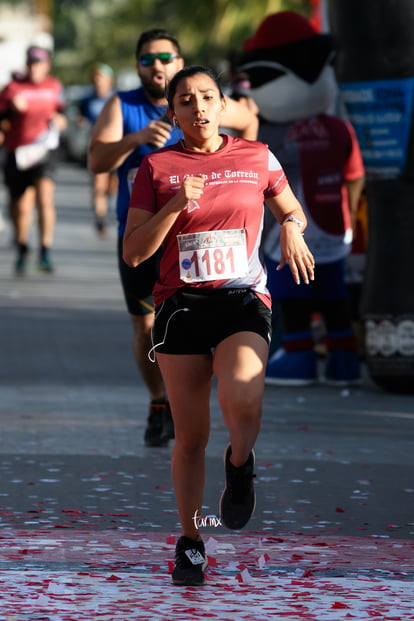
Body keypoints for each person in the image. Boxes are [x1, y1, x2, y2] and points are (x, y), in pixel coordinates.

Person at [123, 65, 315, 586]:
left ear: (223, 103)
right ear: (174, 112)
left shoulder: (255, 155)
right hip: (181, 307)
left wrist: (293, 230)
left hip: (242, 301)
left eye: (208, 97)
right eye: (187, 100)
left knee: (244, 396)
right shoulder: (157, 167)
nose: (199, 107)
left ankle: (240, 461)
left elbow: (289, 208)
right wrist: (174, 204)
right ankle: (191, 541)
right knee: (189, 438)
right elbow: (135, 252)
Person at [88, 28, 259, 448]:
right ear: (137, 67)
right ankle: (159, 400)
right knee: (147, 329)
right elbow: (95, 160)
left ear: (179, 63)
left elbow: (249, 119)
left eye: (166, 57)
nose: (158, 65)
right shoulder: (123, 105)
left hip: (201, 235)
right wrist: (136, 140)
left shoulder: (204, 99)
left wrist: (240, 183)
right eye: (148, 59)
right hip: (146, 234)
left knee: (214, 320)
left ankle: (202, 401)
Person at [236, 11, 365, 386]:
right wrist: (347, 220)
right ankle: (345, 362)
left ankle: (298, 358)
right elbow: (354, 179)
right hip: (334, 232)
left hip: (287, 235)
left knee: (290, 297)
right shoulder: (338, 128)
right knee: (334, 297)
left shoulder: (267, 134)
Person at [0, 45, 66, 275]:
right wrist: (10, 111)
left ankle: (45, 250)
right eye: (31, 62)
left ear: (47, 65)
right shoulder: (12, 88)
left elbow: (62, 113)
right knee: (20, 205)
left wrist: (60, 120)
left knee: (45, 199)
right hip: (17, 152)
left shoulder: (54, 87)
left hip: (43, 152)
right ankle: (22, 247)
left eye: (39, 62)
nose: (34, 66)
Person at [79, 63, 117, 236]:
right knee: (98, 184)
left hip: (117, 146)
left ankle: (108, 198)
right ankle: (100, 219)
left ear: (109, 80)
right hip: (97, 147)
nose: (97, 81)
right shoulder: (87, 100)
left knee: (113, 186)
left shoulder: (117, 98)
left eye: (101, 77)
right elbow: (82, 117)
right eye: (95, 77)